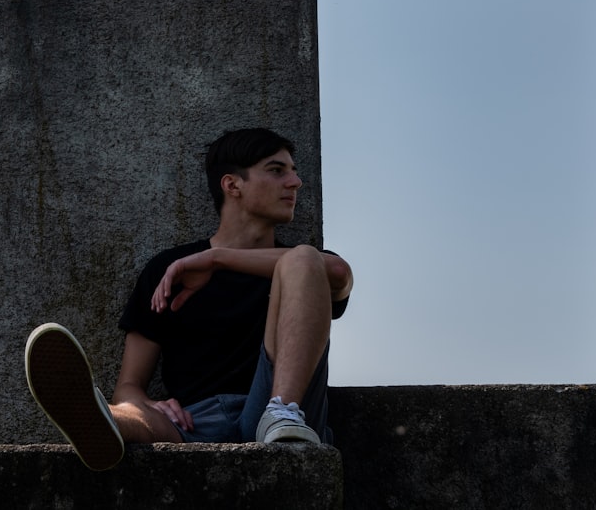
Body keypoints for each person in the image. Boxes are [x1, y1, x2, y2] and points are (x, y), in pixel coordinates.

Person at [24, 127, 353, 470]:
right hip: (196, 422)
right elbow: (130, 384)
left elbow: (339, 274)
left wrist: (216, 258)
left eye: (294, 171)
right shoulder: (169, 270)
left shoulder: (305, 266)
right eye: (277, 170)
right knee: (134, 411)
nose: (295, 182)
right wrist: (149, 404)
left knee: (302, 258)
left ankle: (281, 412)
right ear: (232, 185)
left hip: (286, 411)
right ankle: (101, 418)